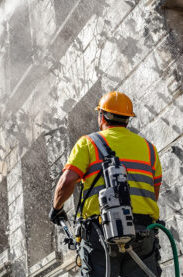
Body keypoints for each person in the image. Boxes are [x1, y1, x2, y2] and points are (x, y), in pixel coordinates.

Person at [50, 91, 163, 277]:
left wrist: (56, 208)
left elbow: (68, 180)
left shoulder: (88, 143)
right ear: (127, 119)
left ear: (101, 116)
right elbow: (153, 193)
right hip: (142, 233)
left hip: (101, 233)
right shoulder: (149, 149)